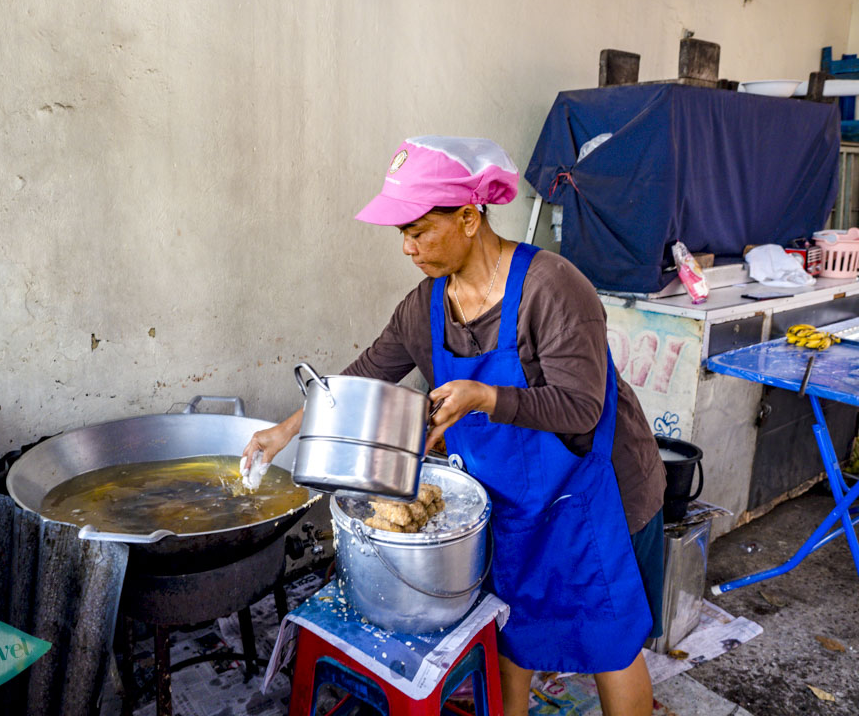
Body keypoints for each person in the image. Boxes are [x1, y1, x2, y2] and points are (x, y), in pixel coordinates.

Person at [242, 136, 665, 716]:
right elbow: (368, 374)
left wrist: (487, 397)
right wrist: (286, 429)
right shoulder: (427, 304)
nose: (409, 249)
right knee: (514, 631)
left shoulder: (553, 289)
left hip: (590, 498)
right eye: (403, 236)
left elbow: (580, 408)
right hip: (515, 502)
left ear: (469, 218)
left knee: (608, 643)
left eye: (421, 232)